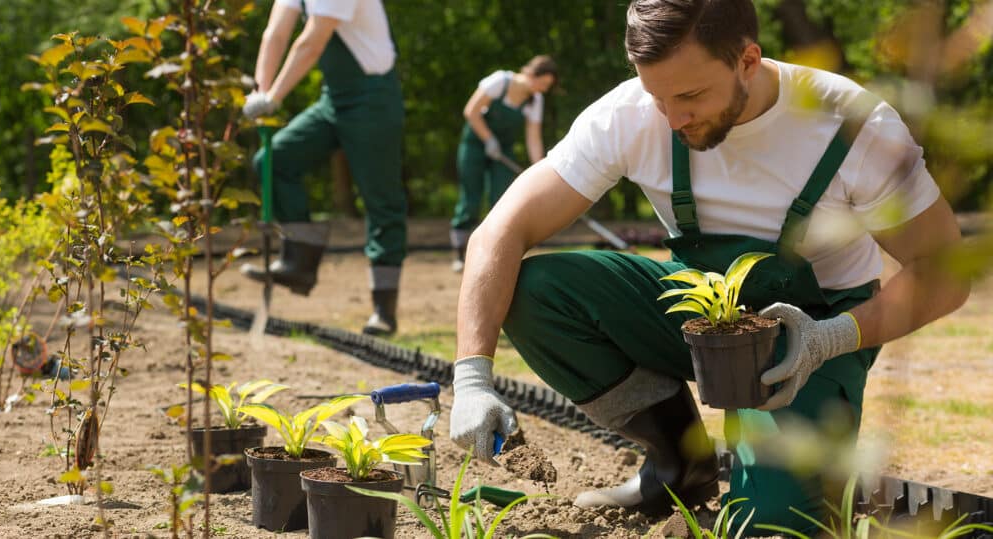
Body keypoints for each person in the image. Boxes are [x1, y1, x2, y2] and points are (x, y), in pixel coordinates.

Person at [447, 0, 969, 533]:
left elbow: (945, 271)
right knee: (537, 292)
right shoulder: (630, 116)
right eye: (658, 97)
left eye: (692, 95)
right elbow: (500, 230)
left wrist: (828, 339)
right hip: (703, 312)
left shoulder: (852, 127)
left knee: (768, 526)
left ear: (748, 60)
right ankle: (680, 462)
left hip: (814, 332)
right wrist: (471, 378)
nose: (673, 118)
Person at [240, 0, 407, 336]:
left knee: (381, 202)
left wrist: (275, 97)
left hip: (373, 98)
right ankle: (298, 264)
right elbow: (275, 33)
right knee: (275, 160)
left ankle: (383, 311)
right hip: (334, 99)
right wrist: (260, 90)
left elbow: (311, 42)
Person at [449, 56, 558, 272]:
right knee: (470, 199)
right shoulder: (499, 82)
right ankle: (460, 254)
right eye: (542, 84)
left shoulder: (535, 100)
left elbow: (533, 137)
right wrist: (488, 139)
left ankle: (492, 255)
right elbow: (471, 111)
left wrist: (539, 169)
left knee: (501, 200)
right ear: (530, 74)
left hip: (503, 152)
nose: (543, 90)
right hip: (476, 145)